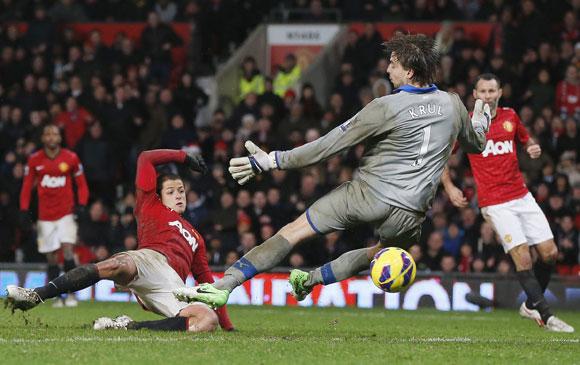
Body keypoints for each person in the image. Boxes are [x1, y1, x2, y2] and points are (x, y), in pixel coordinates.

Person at [173, 34, 488, 309]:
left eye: (393, 63)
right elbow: (476, 144)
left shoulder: (386, 107)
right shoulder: (453, 104)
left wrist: (272, 161)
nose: (388, 69)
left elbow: (328, 146)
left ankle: (222, 286)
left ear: (408, 70)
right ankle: (309, 281)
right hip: (411, 211)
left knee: (292, 232)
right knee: (378, 252)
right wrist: (482, 117)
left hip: (368, 195)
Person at [7, 149, 234, 333]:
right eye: (171, 191)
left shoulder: (196, 236)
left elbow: (208, 283)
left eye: (182, 191)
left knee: (206, 320)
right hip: (150, 260)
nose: (179, 195)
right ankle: (35, 295)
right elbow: (146, 158)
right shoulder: (149, 204)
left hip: (173, 286)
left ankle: (127, 326)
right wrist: (183, 157)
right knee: (117, 265)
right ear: (158, 195)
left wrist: (228, 326)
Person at [441, 73, 574, 333]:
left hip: (522, 195)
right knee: (522, 257)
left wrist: (532, 148)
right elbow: (443, 158)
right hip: (494, 202)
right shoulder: (466, 125)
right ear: (475, 95)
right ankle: (546, 316)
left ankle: (531, 304)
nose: (488, 96)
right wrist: (449, 187)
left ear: (500, 92)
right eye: (483, 92)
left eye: (492, 91)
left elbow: (526, 141)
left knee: (550, 253)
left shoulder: (511, 117)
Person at [19, 124, 89, 307]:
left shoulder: (71, 158)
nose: (51, 137)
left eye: (54, 134)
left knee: (67, 251)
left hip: (66, 213)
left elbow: (81, 184)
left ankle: (72, 294)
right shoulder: (35, 160)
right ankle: (58, 297)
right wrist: (24, 209)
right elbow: (27, 186)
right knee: (51, 257)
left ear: (59, 138)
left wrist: (81, 204)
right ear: (43, 138)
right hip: (45, 216)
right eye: (48, 134)